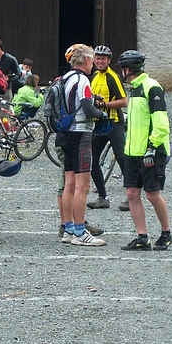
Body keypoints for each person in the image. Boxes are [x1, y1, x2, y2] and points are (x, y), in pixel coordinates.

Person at [116, 50, 172, 251]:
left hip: (150, 152)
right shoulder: (135, 89)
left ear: (128, 70)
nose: (122, 73)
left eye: (123, 69)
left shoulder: (152, 87)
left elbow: (161, 122)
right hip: (133, 152)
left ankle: (166, 233)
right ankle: (142, 237)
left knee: (152, 194)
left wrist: (152, 146)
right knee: (132, 193)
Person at [58, 44, 108, 246]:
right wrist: (101, 114)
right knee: (83, 185)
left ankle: (68, 229)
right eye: (93, 60)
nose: (93, 64)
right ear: (86, 60)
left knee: (69, 183)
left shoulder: (65, 78)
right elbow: (87, 107)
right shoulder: (82, 80)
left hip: (65, 133)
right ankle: (80, 232)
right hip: (81, 134)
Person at [87, 45, 129, 211]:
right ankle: (103, 198)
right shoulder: (95, 76)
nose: (100, 61)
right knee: (92, 160)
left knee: (122, 158)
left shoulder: (113, 77)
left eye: (103, 59)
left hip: (114, 122)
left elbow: (124, 101)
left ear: (109, 61)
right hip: (99, 124)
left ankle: (131, 197)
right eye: (97, 58)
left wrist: (104, 104)